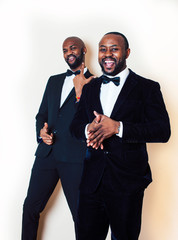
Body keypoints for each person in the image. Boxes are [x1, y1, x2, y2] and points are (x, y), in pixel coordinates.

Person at [70, 32, 171, 240]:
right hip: (91, 183)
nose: (108, 54)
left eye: (114, 49)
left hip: (127, 183)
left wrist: (118, 127)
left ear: (126, 52)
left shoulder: (147, 88)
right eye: (103, 49)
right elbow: (74, 127)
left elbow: (163, 131)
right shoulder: (89, 88)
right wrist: (88, 128)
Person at [22, 36, 94, 239]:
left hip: (75, 157)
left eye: (73, 48)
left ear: (84, 50)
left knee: (80, 215)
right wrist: (41, 133)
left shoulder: (95, 83)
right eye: (64, 50)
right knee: (30, 208)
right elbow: (42, 115)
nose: (69, 53)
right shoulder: (53, 81)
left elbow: (90, 121)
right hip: (47, 155)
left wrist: (80, 93)